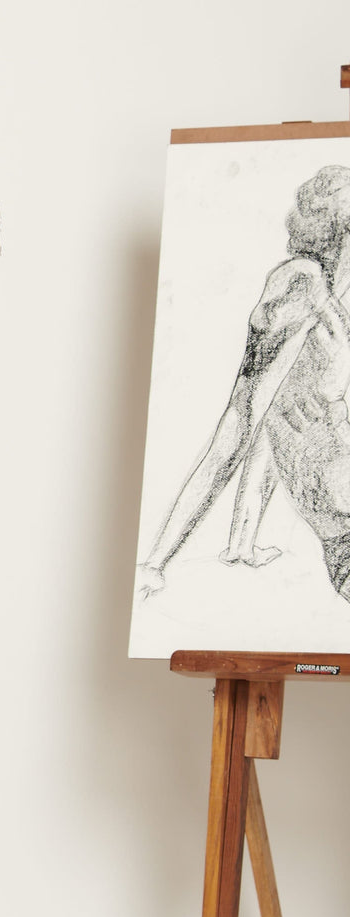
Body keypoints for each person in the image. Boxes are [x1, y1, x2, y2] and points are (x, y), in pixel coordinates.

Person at [137, 164, 350, 600]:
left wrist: (242, 543)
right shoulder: (301, 283)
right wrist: (155, 563)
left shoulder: (335, 298)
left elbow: (279, 424)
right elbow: (243, 418)